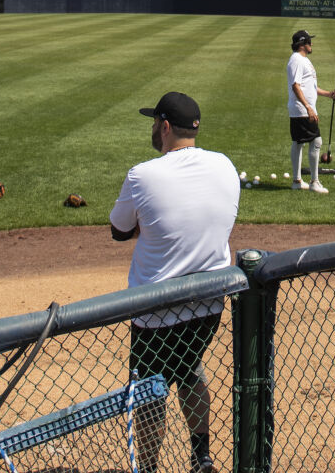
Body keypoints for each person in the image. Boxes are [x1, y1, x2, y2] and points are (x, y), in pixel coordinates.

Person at [110, 90, 240, 473]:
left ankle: (148, 469)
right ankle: (201, 457)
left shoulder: (143, 174)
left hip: (155, 314)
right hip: (208, 306)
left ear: (165, 127)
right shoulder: (225, 165)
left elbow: (120, 231)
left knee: (150, 390)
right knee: (188, 368)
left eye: (155, 122)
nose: (153, 128)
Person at [285, 30, 335, 193]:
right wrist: (308, 107)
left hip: (301, 109)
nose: (311, 44)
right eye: (309, 42)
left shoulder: (301, 60)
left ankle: (297, 181)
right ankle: (314, 182)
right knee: (316, 142)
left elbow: (310, 87)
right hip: (302, 110)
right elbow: (296, 86)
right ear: (302, 44)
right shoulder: (297, 61)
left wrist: (328, 94)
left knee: (299, 142)